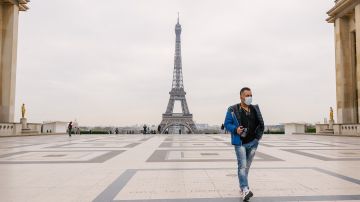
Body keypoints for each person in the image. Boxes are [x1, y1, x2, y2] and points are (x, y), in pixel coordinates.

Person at [224, 87, 264, 201]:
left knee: (246, 166)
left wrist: (257, 138)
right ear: (241, 96)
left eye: (250, 95)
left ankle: (242, 187)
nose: (249, 97)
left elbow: (261, 124)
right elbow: (227, 123)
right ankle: (245, 189)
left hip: (253, 143)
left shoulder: (255, 108)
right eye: (247, 95)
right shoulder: (232, 109)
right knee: (242, 166)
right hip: (240, 143)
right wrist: (235, 129)